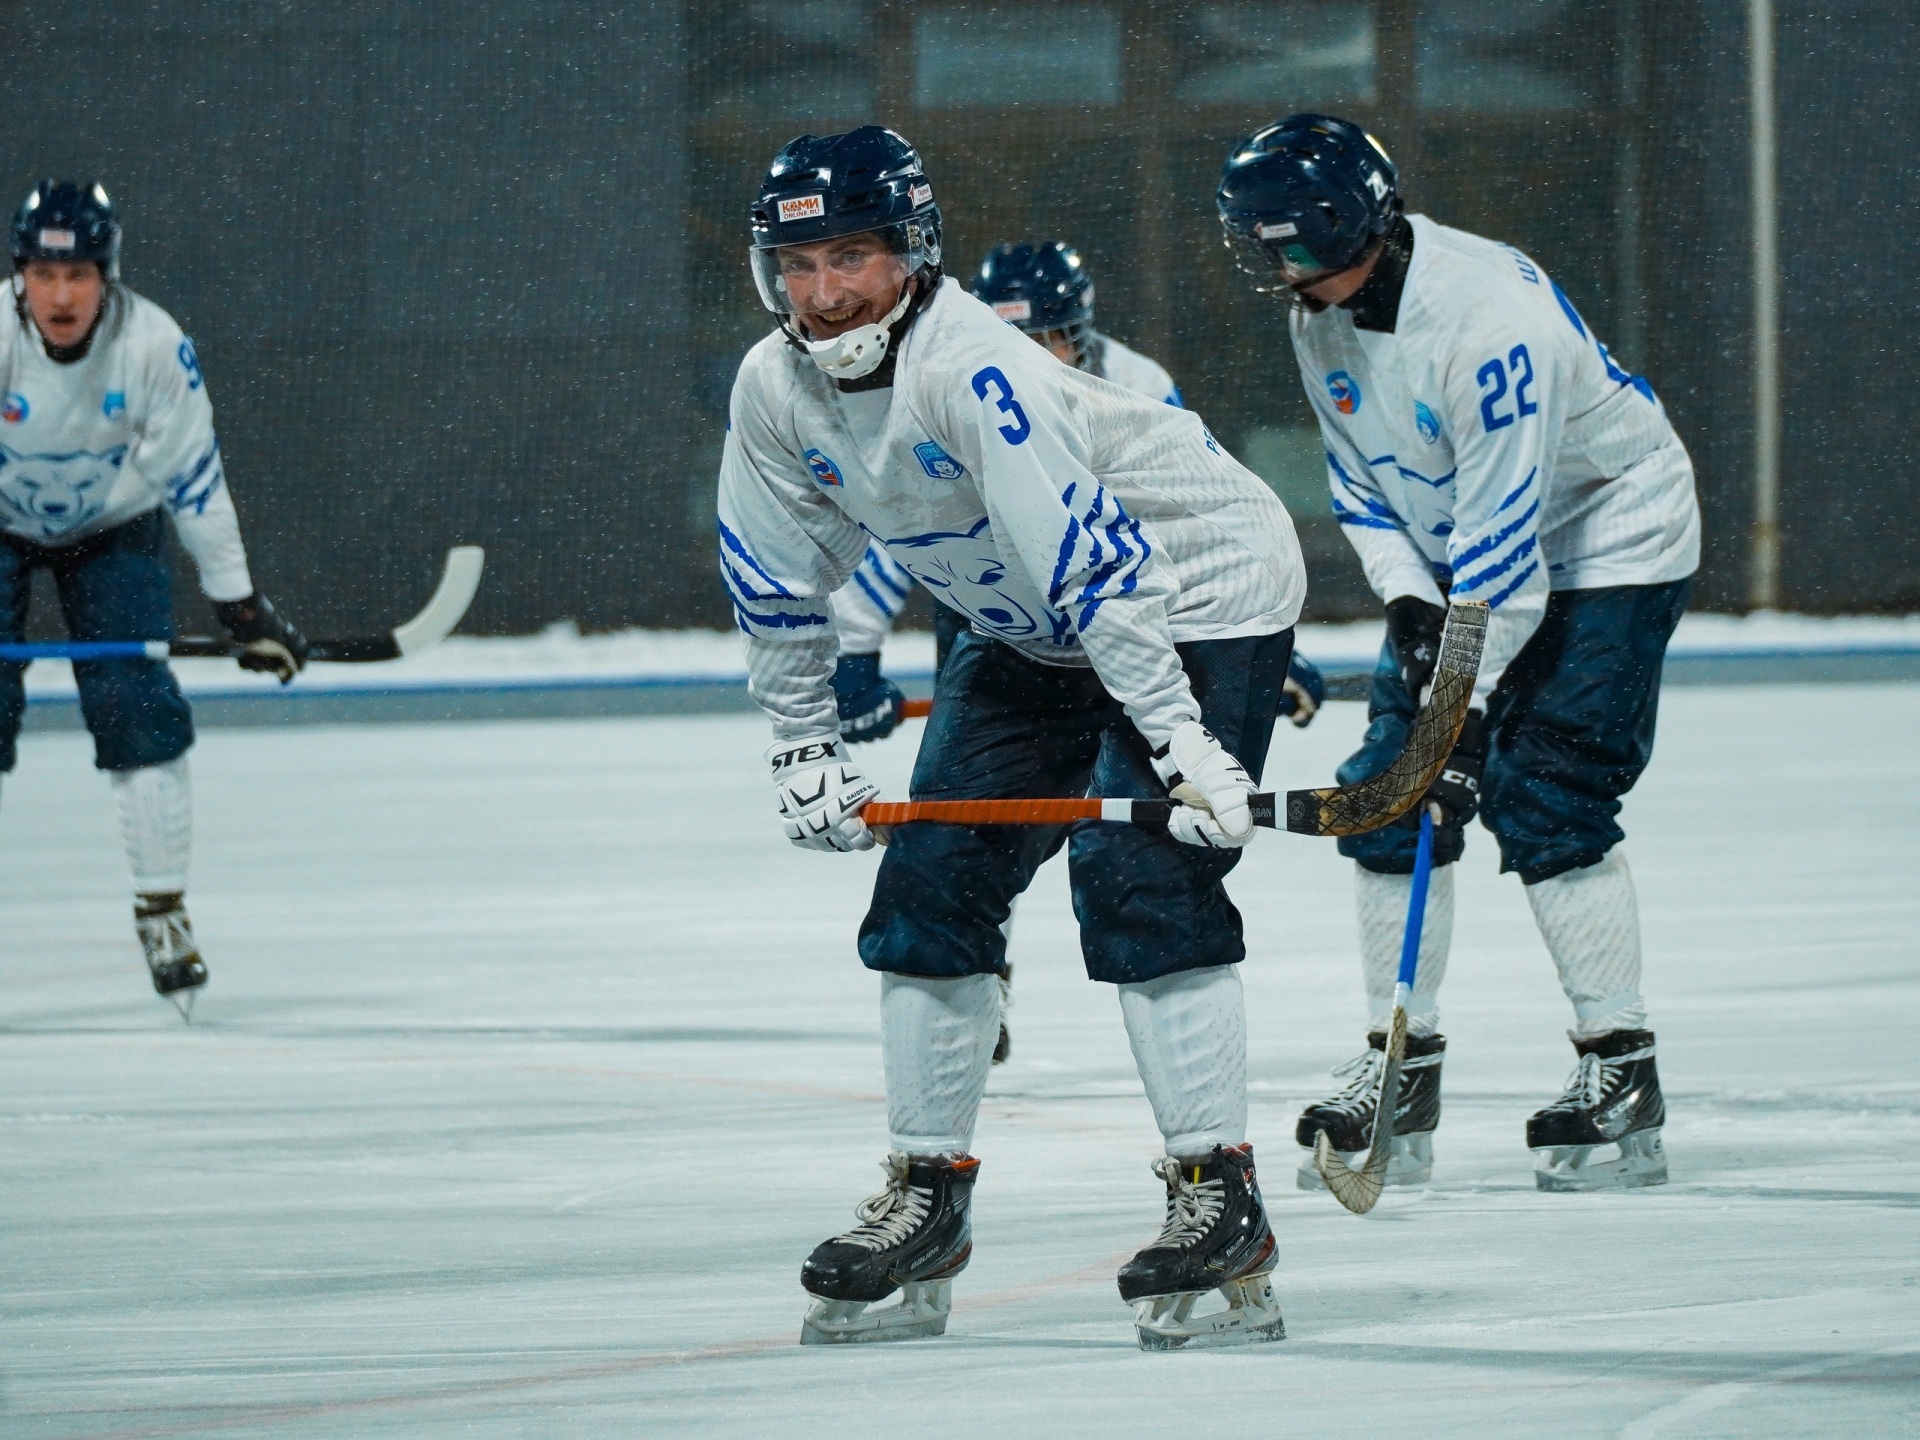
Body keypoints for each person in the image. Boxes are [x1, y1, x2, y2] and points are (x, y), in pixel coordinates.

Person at [719, 126, 1306, 1348]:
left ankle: (1221, 1195)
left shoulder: (975, 370)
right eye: (799, 264)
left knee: (1140, 871)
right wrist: (800, 741)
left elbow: (1103, 577)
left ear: (912, 252)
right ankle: (926, 1197)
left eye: (853, 258)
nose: (825, 296)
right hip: (1021, 617)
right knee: (931, 885)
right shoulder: (772, 389)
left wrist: (1184, 746)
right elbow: (777, 580)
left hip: (1191, 587)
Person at [1216, 115, 1700, 1192]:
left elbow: (1508, 546)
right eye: (1263, 248)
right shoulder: (1322, 313)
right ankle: (1405, 1066)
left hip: (1609, 537)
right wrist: (1404, 599)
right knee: (1390, 792)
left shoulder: (1487, 325)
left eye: (1292, 247)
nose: (1276, 269)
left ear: (1357, 230)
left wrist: (1462, 719)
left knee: (1549, 793)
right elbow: (1357, 479)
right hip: (1460, 560)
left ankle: (1621, 1068)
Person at [825, 237, 1327, 1064]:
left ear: (1082, 334)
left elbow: (1198, 518)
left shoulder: (1137, 386)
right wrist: (857, 655)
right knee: (975, 828)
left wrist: (1259, 651)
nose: (1034, 355)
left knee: (1133, 856)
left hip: (1119, 590)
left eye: (1050, 336)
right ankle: (986, 959)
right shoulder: (939, 375)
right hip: (993, 596)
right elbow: (898, 528)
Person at [1, 181, 307, 1017]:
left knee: (138, 707)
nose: (60, 296)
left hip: (113, 527)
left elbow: (198, 489)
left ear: (110, 274)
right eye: (42, 274)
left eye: (80, 275)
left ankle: (163, 910)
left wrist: (240, 610)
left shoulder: (152, 347)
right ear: (20, 274)